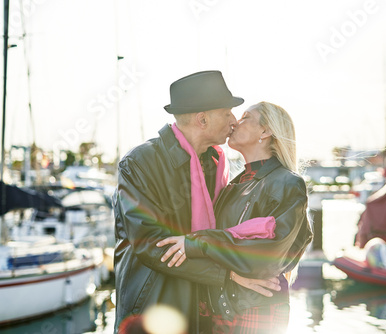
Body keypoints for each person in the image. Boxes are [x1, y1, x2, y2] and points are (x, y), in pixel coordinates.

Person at [113, 71, 281, 333]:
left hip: (203, 310)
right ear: (202, 119)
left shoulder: (215, 163)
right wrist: (228, 274)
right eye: (227, 113)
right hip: (154, 309)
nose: (234, 120)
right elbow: (151, 244)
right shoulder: (140, 163)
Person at [158, 101, 313, 333]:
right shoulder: (234, 185)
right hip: (223, 306)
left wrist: (197, 242)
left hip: (256, 308)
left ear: (265, 131)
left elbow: (268, 255)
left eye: (245, 117)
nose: (234, 123)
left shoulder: (287, 183)